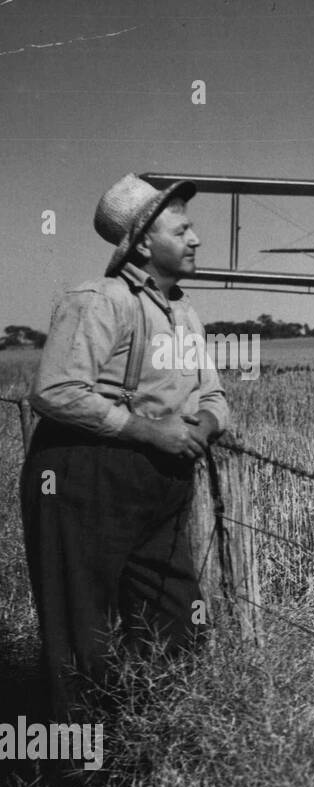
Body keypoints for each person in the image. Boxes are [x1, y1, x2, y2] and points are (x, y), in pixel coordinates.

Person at [19, 173, 230, 751]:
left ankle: (154, 755)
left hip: (162, 481)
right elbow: (56, 391)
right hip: (84, 473)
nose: (196, 239)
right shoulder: (98, 300)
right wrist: (147, 430)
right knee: (80, 631)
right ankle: (79, 778)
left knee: (176, 619)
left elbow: (212, 396)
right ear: (141, 243)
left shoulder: (185, 313)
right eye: (182, 228)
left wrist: (201, 427)